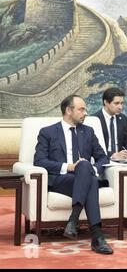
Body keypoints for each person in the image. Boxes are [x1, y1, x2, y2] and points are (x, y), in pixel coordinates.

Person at [34, 95, 113, 254]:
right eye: (81, 109)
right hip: (61, 180)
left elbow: (102, 157)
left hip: (85, 177)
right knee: (86, 171)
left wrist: (93, 169)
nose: (85, 113)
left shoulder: (88, 132)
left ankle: (76, 222)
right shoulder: (48, 132)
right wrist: (69, 166)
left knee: (85, 168)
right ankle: (96, 236)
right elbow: (39, 161)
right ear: (69, 111)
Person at [93, 87, 127, 218]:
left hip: (122, 160)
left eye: (122, 103)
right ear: (106, 102)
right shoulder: (94, 119)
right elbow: (93, 147)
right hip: (104, 160)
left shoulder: (122, 119)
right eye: (116, 103)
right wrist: (112, 154)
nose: (120, 107)